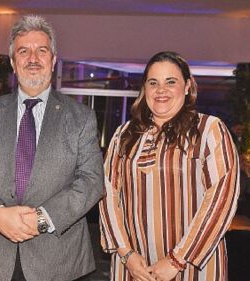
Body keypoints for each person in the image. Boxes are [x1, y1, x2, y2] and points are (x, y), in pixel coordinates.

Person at [0, 15, 103, 281]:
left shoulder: (81, 117)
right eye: (24, 51)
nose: (33, 58)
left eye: (41, 50)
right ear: (13, 62)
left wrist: (42, 219)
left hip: (59, 262)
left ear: (53, 60)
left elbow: (91, 180)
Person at [99, 51, 239, 281]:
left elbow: (221, 199)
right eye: (153, 83)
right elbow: (107, 194)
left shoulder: (209, 130)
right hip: (135, 268)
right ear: (145, 89)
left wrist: (177, 259)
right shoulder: (124, 134)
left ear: (187, 86)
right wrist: (126, 254)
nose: (160, 90)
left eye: (170, 82)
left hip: (193, 267)